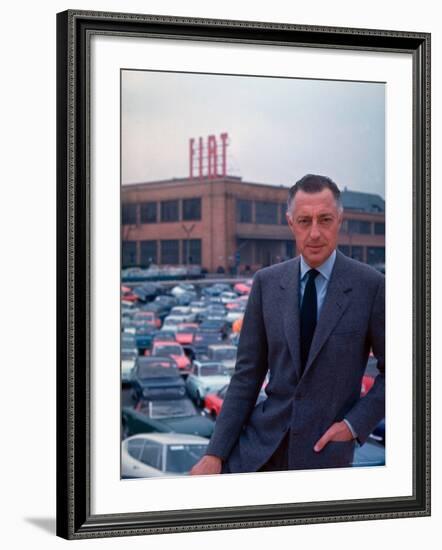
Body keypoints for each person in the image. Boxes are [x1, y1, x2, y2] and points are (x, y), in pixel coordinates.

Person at [190, 174, 385, 475]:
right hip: (256, 450)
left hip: (323, 456)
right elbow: (246, 376)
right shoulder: (266, 283)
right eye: (305, 221)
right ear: (291, 223)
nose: (315, 233)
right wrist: (215, 453)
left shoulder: (370, 286)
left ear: (340, 220)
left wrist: (353, 425)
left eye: (325, 219)